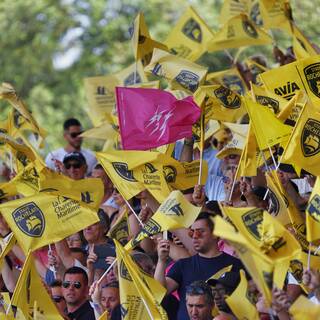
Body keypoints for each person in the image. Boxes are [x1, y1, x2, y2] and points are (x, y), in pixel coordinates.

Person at [155, 212, 245, 320]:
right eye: (192, 232)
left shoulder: (236, 264)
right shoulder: (183, 265)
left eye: (201, 232)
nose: (195, 236)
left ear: (215, 233)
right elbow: (160, 292)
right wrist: (161, 261)